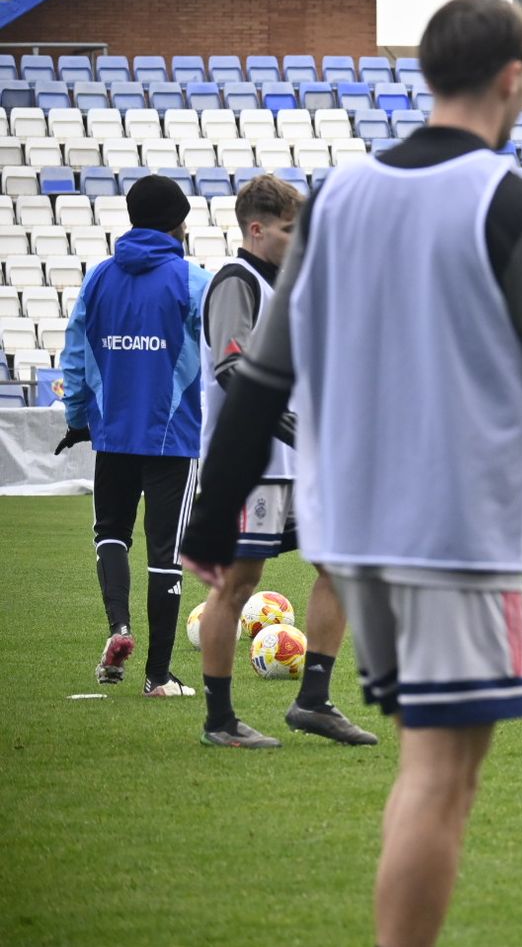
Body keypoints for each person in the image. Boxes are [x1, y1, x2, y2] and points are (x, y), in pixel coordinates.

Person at [177, 0, 522, 947]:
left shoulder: (339, 200)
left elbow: (260, 379)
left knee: (424, 770)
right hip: (455, 534)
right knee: (442, 779)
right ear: (513, 79)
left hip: (352, 531)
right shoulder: (510, 204)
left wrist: (206, 522)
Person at [195, 174, 376, 749]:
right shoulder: (235, 281)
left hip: (300, 463)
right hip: (255, 463)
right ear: (257, 229)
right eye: (290, 232)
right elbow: (233, 369)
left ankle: (313, 701)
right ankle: (220, 721)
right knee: (239, 583)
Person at [58, 174, 209, 697]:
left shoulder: (99, 277)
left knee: (111, 533)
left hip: (113, 432)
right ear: (179, 222)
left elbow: (75, 354)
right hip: (173, 438)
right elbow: (218, 361)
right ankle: (157, 677)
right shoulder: (195, 280)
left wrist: (79, 415)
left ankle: (119, 628)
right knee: (165, 554)